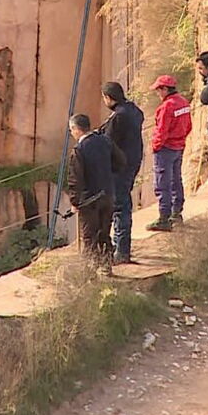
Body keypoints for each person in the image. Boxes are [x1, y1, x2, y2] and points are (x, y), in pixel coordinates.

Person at [67, 114, 125, 274]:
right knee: (104, 232)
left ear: (77, 129)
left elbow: (75, 178)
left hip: (89, 200)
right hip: (107, 194)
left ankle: (89, 271)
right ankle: (106, 266)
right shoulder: (105, 141)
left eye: (71, 129)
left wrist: (75, 201)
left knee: (89, 236)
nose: (72, 133)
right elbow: (121, 161)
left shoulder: (79, 150)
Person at [99, 81, 144, 264]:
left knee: (120, 207)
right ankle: (121, 247)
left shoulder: (118, 117)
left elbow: (108, 143)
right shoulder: (134, 110)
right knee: (123, 202)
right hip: (133, 161)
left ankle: (122, 250)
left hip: (120, 166)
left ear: (109, 98)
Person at [147, 75, 192, 231]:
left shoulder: (167, 107)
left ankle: (164, 217)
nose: (157, 93)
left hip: (166, 148)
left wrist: (155, 146)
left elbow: (162, 131)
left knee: (162, 183)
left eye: (158, 90)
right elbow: (188, 126)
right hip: (179, 146)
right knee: (175, 180)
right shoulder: (183, 102)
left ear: (165, 89)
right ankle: (176, 213)